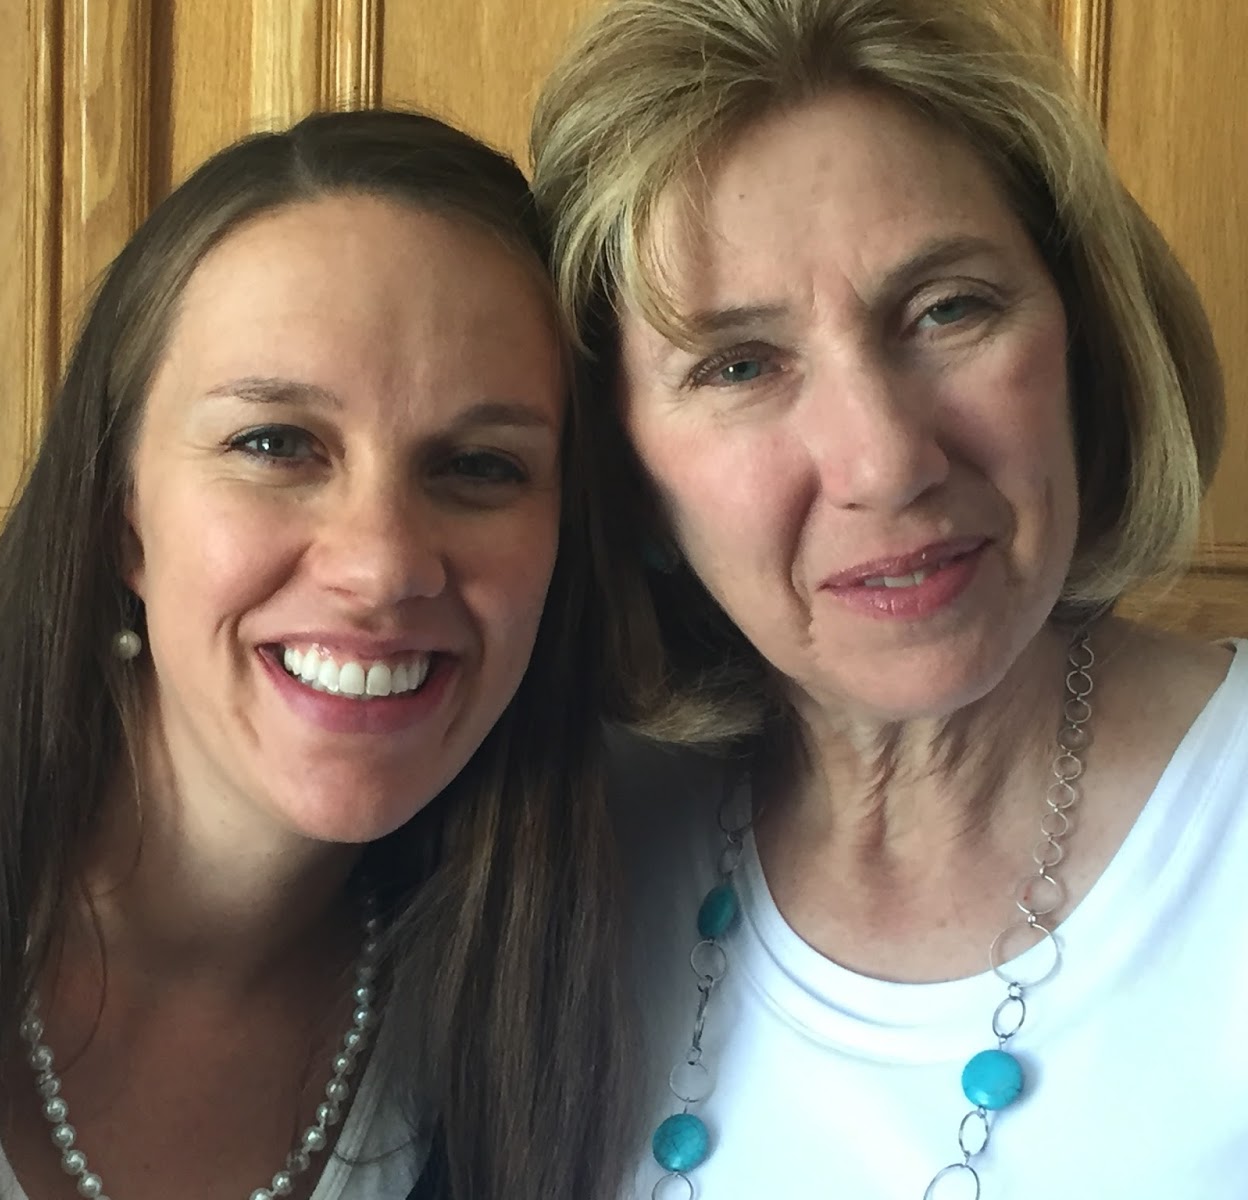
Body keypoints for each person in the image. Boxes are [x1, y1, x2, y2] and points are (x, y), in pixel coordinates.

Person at [0, 110, 631, 1200]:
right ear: (120, 515)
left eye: (481, 466)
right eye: (275, 443)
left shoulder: (549, 1045)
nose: (382, 565)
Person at [531, 0, 1245, 1196]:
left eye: (947, 308)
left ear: (1085, 348)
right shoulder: (563, 852)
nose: (886, 461)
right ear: (624, 476)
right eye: (739, 365)